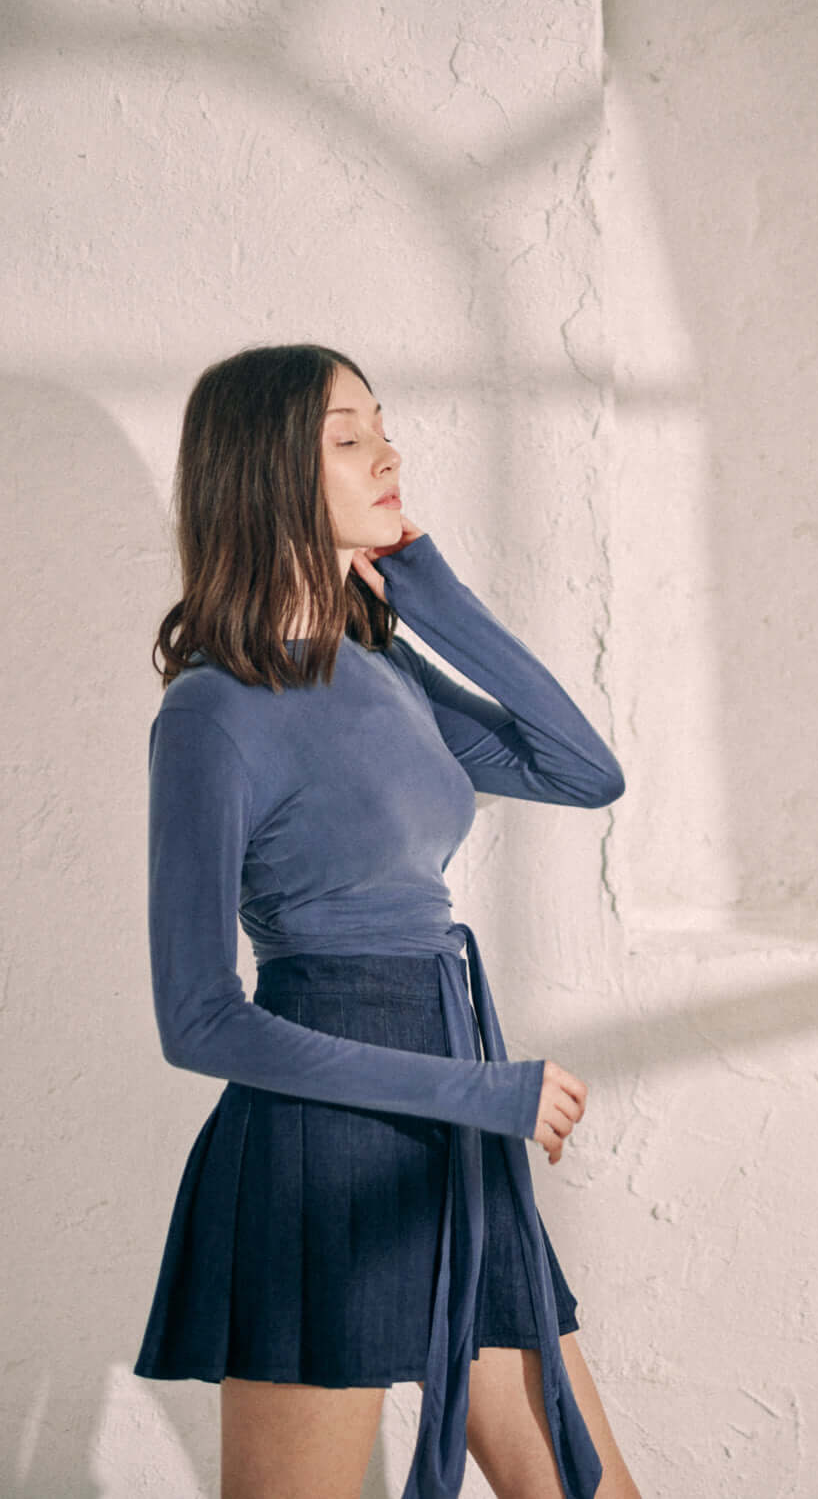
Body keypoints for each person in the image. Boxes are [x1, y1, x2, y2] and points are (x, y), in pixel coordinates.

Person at [131, 343, 640, 1499]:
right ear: (264, 475)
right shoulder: (213, 711)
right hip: (317, 1150)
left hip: (455, 1139)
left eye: (383, 424)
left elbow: (581, 769)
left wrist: (430, 592)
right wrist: (486, 1092)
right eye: (347, 436)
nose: (387, 451)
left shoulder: (384, 671)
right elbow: (199, 1020)